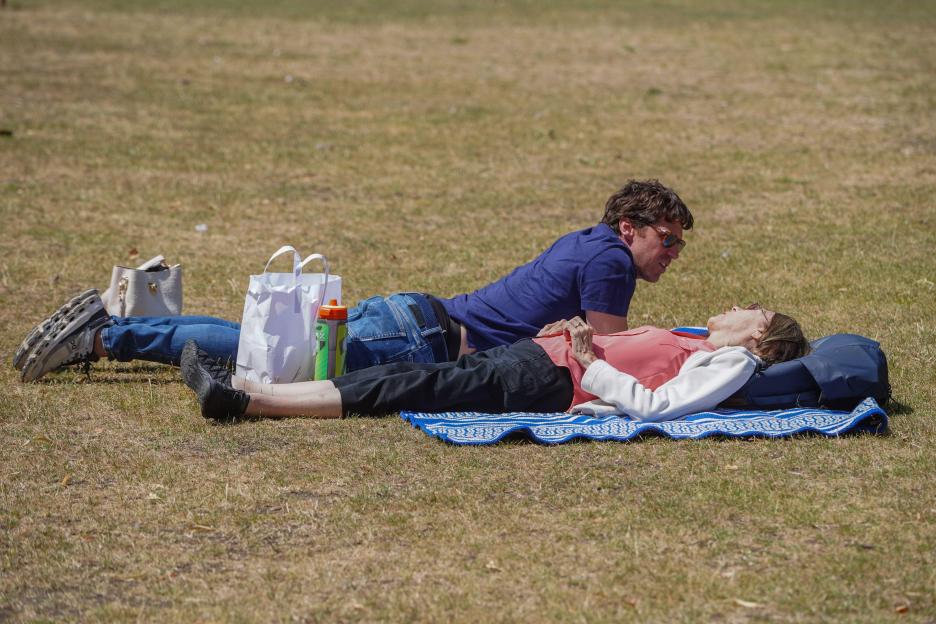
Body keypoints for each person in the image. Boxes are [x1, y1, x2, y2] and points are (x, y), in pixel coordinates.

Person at [17, 179, 693, 382]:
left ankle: (115, 328)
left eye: (678, 247)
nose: (671, 254)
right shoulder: (608, 261)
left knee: (261, 346)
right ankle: (109, 335)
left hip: (418, 320)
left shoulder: (588, 243)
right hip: (423, 343)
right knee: (258, 352)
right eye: (666, 240)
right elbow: (611, 356)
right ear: (630, 227)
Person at [181, 304, 809, 423]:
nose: (731, 305)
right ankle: (248, 388)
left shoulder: (731, 365)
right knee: (414, 379)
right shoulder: (699, 340)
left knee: (411, 384)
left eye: (747, 308)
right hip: (542, 357)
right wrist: (574, 333)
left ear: (761, 332)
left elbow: (658, 406)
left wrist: (588, 359)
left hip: (550, 381)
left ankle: (250, 401)